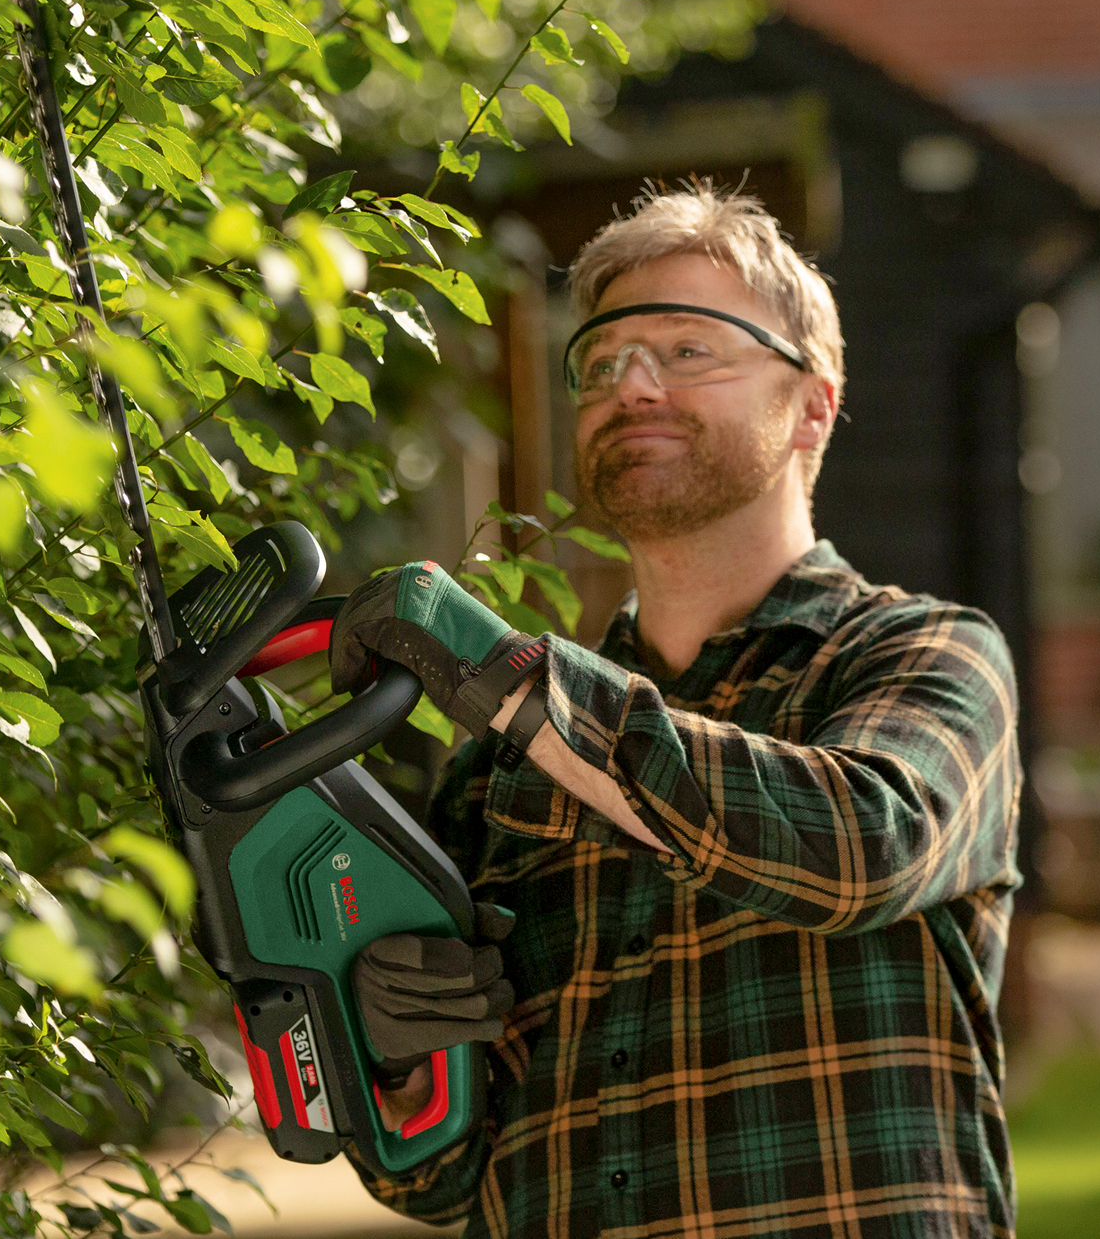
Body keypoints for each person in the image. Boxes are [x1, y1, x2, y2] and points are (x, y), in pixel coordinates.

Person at [329, 184, 1023, 1238]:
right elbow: (431, 1180)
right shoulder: (502, 763)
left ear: (812, 404)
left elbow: (860, 845)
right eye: (601, 363)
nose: (631, 383)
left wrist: (513, 680)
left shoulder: (920, 656)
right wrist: (392, 1048)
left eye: (688, 350)